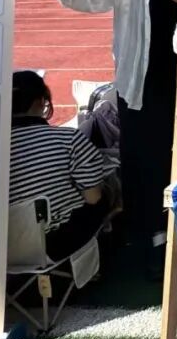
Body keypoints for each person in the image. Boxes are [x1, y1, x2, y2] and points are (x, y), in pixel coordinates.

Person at [35, 0, 177, 274]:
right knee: (137, 166)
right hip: (134, 92)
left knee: (173, 166)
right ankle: (140, 240)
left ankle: (171, 242)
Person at [9, 71, 108, 261]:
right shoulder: (69, 139)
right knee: (106, 195)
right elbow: (93, 197)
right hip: (52, 244)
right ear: (41, 101)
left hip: (1, 246)